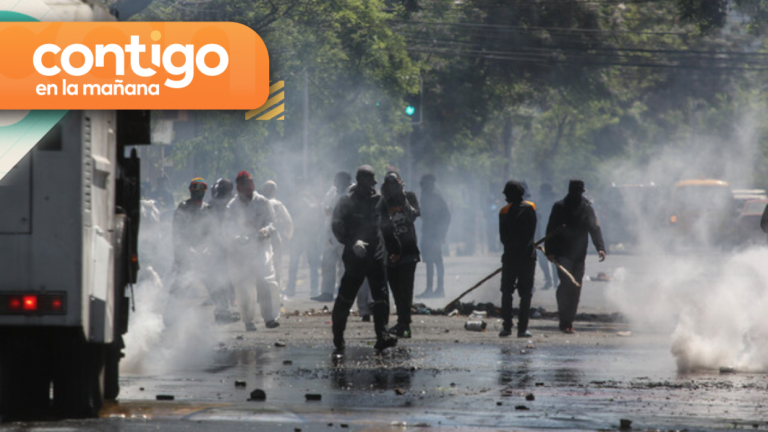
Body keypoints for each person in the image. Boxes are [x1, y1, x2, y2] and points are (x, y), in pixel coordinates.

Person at [331, 165, 400, 353]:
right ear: (361, 180)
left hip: (376, 254)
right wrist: (353, 242)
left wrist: (395, 248)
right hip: (355, 256)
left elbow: (387, 226)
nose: (374, 183)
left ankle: (382, 335)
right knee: (346, 296)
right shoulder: (346, 201)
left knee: (381, 296)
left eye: (373, 179)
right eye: (370, 179)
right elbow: (337, 225)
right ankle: (338, 335)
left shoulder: (379, 200)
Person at [544, 179, 606, 334]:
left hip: (579, 254)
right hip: (562, 253)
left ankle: (568, 321)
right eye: (574, 192)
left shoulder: (586, 208)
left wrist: (600, 248)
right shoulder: (559, 207)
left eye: (578, 192)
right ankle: (564, 320)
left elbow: (594, 228)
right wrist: (550, 251)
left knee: (575, 287)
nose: (576, 195)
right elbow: (550, 229)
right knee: (566, 284)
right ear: (570, 192)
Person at [226, 171, 281, 331]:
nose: (247, 188)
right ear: (238, 188)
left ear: (253, 185)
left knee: (265, 280)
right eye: (243, 185)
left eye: (249, 185)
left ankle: (270, 317)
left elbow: (272, 221)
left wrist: (265, 231)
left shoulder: (262, 202)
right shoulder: (232, 206)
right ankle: (248, 321)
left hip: (261, 248)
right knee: (244, 287)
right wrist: (237, 237)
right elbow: (227, 227)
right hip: (241, 252)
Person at [381, 172, 420, 338]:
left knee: (406, 290)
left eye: (395, 184)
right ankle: (401, 322)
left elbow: (412, 215)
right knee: (396, 290)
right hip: (390, 252)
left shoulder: (409, 197)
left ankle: (405, 324)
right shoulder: (382, 202)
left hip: (409, 251)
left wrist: (402, 196)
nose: (392, 188)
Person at [498, 180, 536, 338]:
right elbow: (532, 231)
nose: (505, 197)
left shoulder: (504, 211)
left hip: (510, 258)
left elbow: (503, 237)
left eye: (506, 194)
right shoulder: (531, 207)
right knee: (526, 293)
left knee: (507, 292)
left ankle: (507, 327)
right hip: (527, 256)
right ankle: (522, 329)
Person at [205, 178, 241, 324]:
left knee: (225, 277)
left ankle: (225, 309)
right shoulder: (220, 204)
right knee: (220, 277)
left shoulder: (230, 204)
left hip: (227, 245)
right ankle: (223, 310)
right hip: (218, 246)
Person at [314, 172, 352, 302]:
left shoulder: (352, 193)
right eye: (336, 180)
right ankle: (327, 293)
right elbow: (324, 209)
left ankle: (343, 293)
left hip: (346, 234)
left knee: (343, 266)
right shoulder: (332, 192)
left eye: (340, 181)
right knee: (327, 264)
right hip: (330, 233)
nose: (337, 183)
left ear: (347, 181)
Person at [171, 178, 210, 296]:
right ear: (190, 190)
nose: (198, 192)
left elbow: (212, 232)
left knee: (212, 280)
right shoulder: (183, 207)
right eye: (196, 188)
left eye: (201, 188)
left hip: (203, 251)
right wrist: (187, 249)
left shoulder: (208, 209)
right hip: (186, 251)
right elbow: (177, 231)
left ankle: (222, 307)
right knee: (181, 281)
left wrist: (207, 247)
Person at [286, 179, 323, 298]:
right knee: (294, 264)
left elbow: (316, 210)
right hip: (297, 235)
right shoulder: (292, 199)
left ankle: (314, 289)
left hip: (309, 235)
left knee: (313, 263)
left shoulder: (310, 198)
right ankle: (290, 289)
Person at [416, 174, 451, 298]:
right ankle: (430, 289)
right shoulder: (425, 195)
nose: (422, 186)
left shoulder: (436, 196)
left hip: (434, 234)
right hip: (427, 232)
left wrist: (442, 234)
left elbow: (447, 216)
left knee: (436, 261)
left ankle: (439, 289)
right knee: (429, 261)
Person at [260, 180, 294, 294]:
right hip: (273, 237)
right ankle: (276, 291)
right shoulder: (277, 203)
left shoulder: (257, 202)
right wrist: (288, 235)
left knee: (261, 264)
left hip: (258, 238)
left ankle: (262, 292)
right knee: (276, 264)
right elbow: (288, 221)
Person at [536, 183, 559, 290]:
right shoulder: (538, 204)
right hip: (542, 234)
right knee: (542, 259)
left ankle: (556, 281)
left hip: (553, 235)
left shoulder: (556, 204)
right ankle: (548, 279)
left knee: (554, 259)